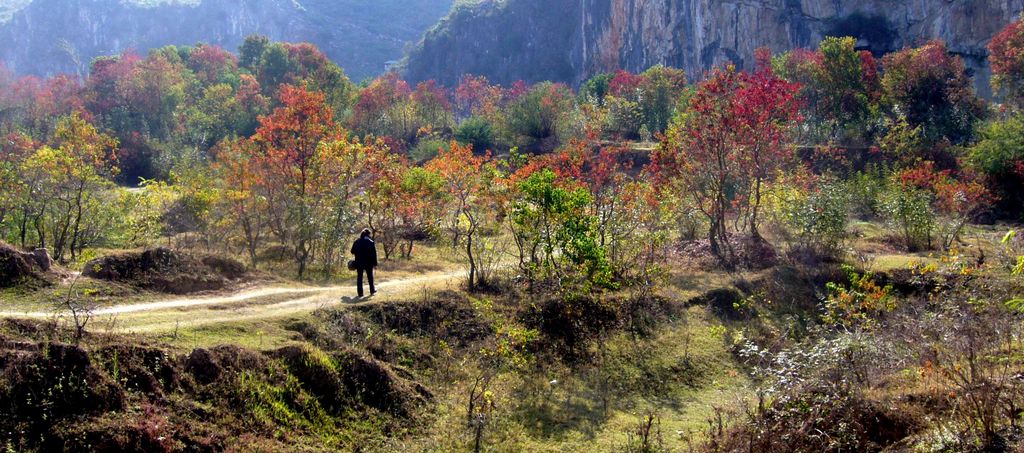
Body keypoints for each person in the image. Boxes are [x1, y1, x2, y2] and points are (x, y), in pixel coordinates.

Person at [351, 228, 378, 297]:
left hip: (359, 262)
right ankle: (372, 290)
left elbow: (352, 251)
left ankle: (360, 293)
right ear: (368, 234)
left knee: (359, 278)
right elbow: (374, 254)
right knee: (370, 277)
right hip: (368, 263)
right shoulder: (371, 242)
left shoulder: (357, 241)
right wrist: (375, 264)